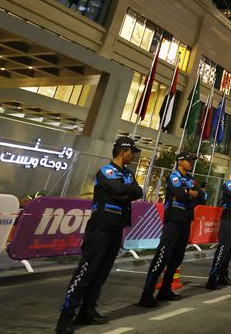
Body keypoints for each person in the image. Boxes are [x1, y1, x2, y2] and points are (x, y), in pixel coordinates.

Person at [56, 137, 143, 334]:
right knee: (85, 273)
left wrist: (124, 193)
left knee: (101, 273)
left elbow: (138, 192)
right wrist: (124, 192)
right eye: (132, 152)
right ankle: (65, 316)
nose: (134, 156)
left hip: (116, 229)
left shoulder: (127, 173)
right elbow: (120, 189)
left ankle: (88, 311)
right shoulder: (106, 171)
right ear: (123, 152)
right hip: (100, 229)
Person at [139, 153, 204, 307]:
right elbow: (180, 194)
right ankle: (147, 293)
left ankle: (165, 290)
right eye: (189, 161)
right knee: (162, 257)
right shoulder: (174, 176)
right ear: (180, 162)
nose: (191, 163)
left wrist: (189, 194)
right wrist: (188, 194)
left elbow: (201, 196)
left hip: (186, 222)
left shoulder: (190, 179)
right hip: (173, 221)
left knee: (177, 258)